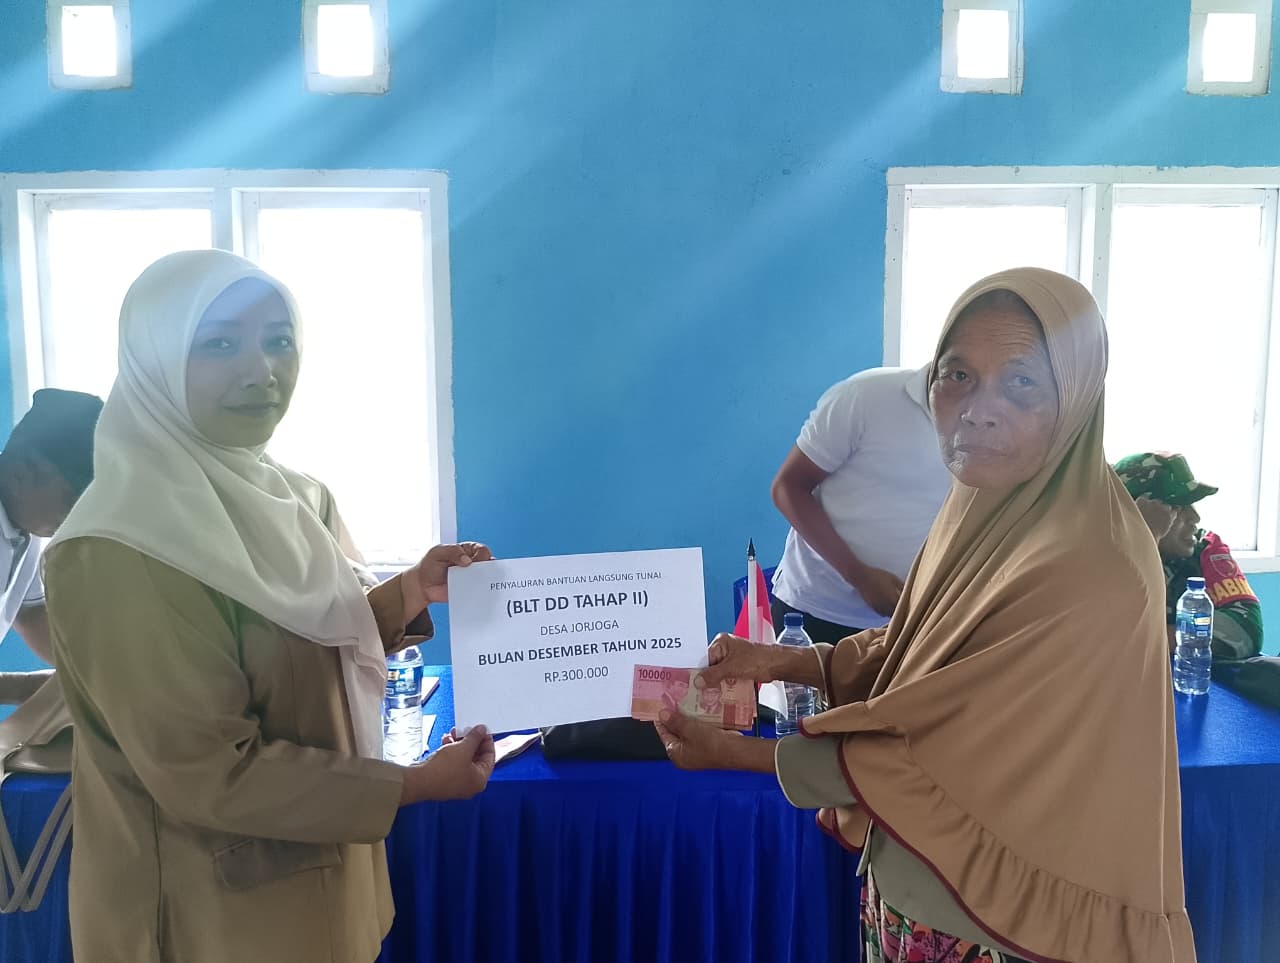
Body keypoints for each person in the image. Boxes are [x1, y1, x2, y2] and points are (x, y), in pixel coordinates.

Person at [656, 268, 1194, 963]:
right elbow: (927, 647)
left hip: (1011, 919)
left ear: (1079, 395)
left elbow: (944, 750)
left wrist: (736, 754)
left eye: (1022, 382)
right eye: (958, 375)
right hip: (925, 876)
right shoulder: (987, 504)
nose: (979, 409)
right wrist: (786, 660)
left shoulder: (1094, 564)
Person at [43, 250, 497, 962]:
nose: (262, 370)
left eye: (279, 340)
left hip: (330, 891)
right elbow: (209, 773)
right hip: (207, 920)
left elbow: (301, 637)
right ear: (154, 357)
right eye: (219, 343)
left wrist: (412, 590)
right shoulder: (117, 547)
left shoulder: (291, 495)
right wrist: (410, 786)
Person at [768, 364, 952, 643]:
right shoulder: (865, 396)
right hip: (815, 615)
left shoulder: (995, 421)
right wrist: (859, 576)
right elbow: (787, 487)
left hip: (912, 621)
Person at [0, 388, 102, 705]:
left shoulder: (24, 521)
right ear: (21, 475)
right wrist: (37, 690)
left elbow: (30, 614)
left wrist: (100, 671)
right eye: (73, 502)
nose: (79, 520)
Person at [1115, 451, 1263, 661]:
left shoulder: (1205, 547)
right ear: (1134, 511)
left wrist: (1155, 639)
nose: (1195, 517)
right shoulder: (1106, 556)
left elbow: (1245, 629)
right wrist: (1147, 540)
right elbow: (1103, 636)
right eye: (1176, 507)